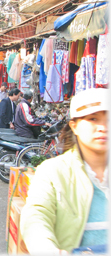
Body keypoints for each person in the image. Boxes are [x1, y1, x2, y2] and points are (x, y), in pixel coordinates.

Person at [20, 88, 108, 254]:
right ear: (74, 126)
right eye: (93, 119)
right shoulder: (53, 171)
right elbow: (36, 217)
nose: (103, 127)